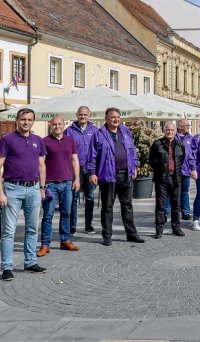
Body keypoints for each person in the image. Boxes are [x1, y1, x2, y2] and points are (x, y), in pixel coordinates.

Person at [0, 108, 48, 281]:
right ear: (17, 120)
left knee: (32, 228)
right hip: (12, 189)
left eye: (30, 119)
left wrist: (42, 188)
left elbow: (41, 166)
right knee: (9, 231)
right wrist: (0, 192)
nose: (26, 122)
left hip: (33, 189)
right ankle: (7, 267)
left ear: (33, 121)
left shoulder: (38, 140)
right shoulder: (7, 140)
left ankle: (30, 262)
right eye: (23, 119)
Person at [87, 107, 144, 246]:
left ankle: (131, 234)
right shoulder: (99, 134)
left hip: (125, 174)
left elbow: (132, 151)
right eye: (113, 117)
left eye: (118, 117)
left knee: (127, 206)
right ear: (106, 118)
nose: (116, 119)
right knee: (107, 207)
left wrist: (134, 165)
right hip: (108, 175)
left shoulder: (125, 131)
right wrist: (92, 173)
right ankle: (107, 236)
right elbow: (92, 156)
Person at [37, 115, 80, 257]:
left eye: (60, 124)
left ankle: (65, 240)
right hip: (50, 183)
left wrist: (77, 179)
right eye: (54, 124)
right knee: (48, 215)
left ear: (63, 125)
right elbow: (40, 163)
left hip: (67, 182)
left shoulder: (70, 140)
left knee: (67, 212)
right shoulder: (45, 141)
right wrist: (42, 186)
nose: (57, 126)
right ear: (50, 125)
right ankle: (45, 244)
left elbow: (75, 160)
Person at [149, 122, 187, 238]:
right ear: (164, 131)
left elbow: (182, 158)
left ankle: (176, 228)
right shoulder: (157, 144)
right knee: (160, 206)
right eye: (168, 130)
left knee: (176, 205)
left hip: (176, 178)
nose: (170, 132)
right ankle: (159, 229)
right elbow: (151, 160)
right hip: (162, 179)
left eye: (172, 130)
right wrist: (160, 170)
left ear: (175, 131)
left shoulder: (180, 145)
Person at [65, 106, 98, 235]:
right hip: (75, 170)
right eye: (80, 114)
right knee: (73, 198)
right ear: (76, 115)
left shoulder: (95, 130)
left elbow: (98, 150)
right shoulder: (69, 131)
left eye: (85, 115)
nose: (83, 117)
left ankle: (88, 225)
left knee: (90, 197)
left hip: (90, 168)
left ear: (89, 116)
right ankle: (72, 226)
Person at [175, 119, 194, 221]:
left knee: (185, 191)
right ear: (180, 126)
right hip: (174, 170)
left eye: (188, 125)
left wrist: (193, 168)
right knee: (172, 190)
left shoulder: (190, 138)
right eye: (186, 125)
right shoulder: (173, 137)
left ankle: (185, 211)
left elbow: (192, 154)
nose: (188, 126)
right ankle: (169, 210)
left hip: (186, 169)